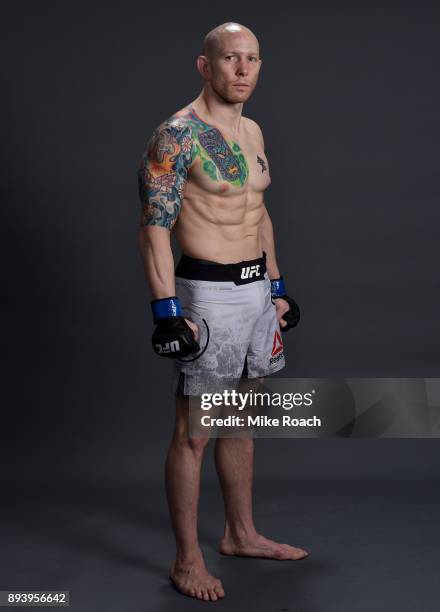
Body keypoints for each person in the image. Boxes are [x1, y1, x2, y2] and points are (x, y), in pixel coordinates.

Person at [138, 21, 308, 602]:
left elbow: (257, 213)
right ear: (204, 65)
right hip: (207, 297)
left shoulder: (253, 130)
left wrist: (278, 284)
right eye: (230, 58)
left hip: (257, 293)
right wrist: (165, 311)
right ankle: (186, 560)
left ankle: (240, 533)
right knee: (195, 433)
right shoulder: (176, 136)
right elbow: (155, 228)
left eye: (252, 59)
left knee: (242, 421)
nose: (242, 69)